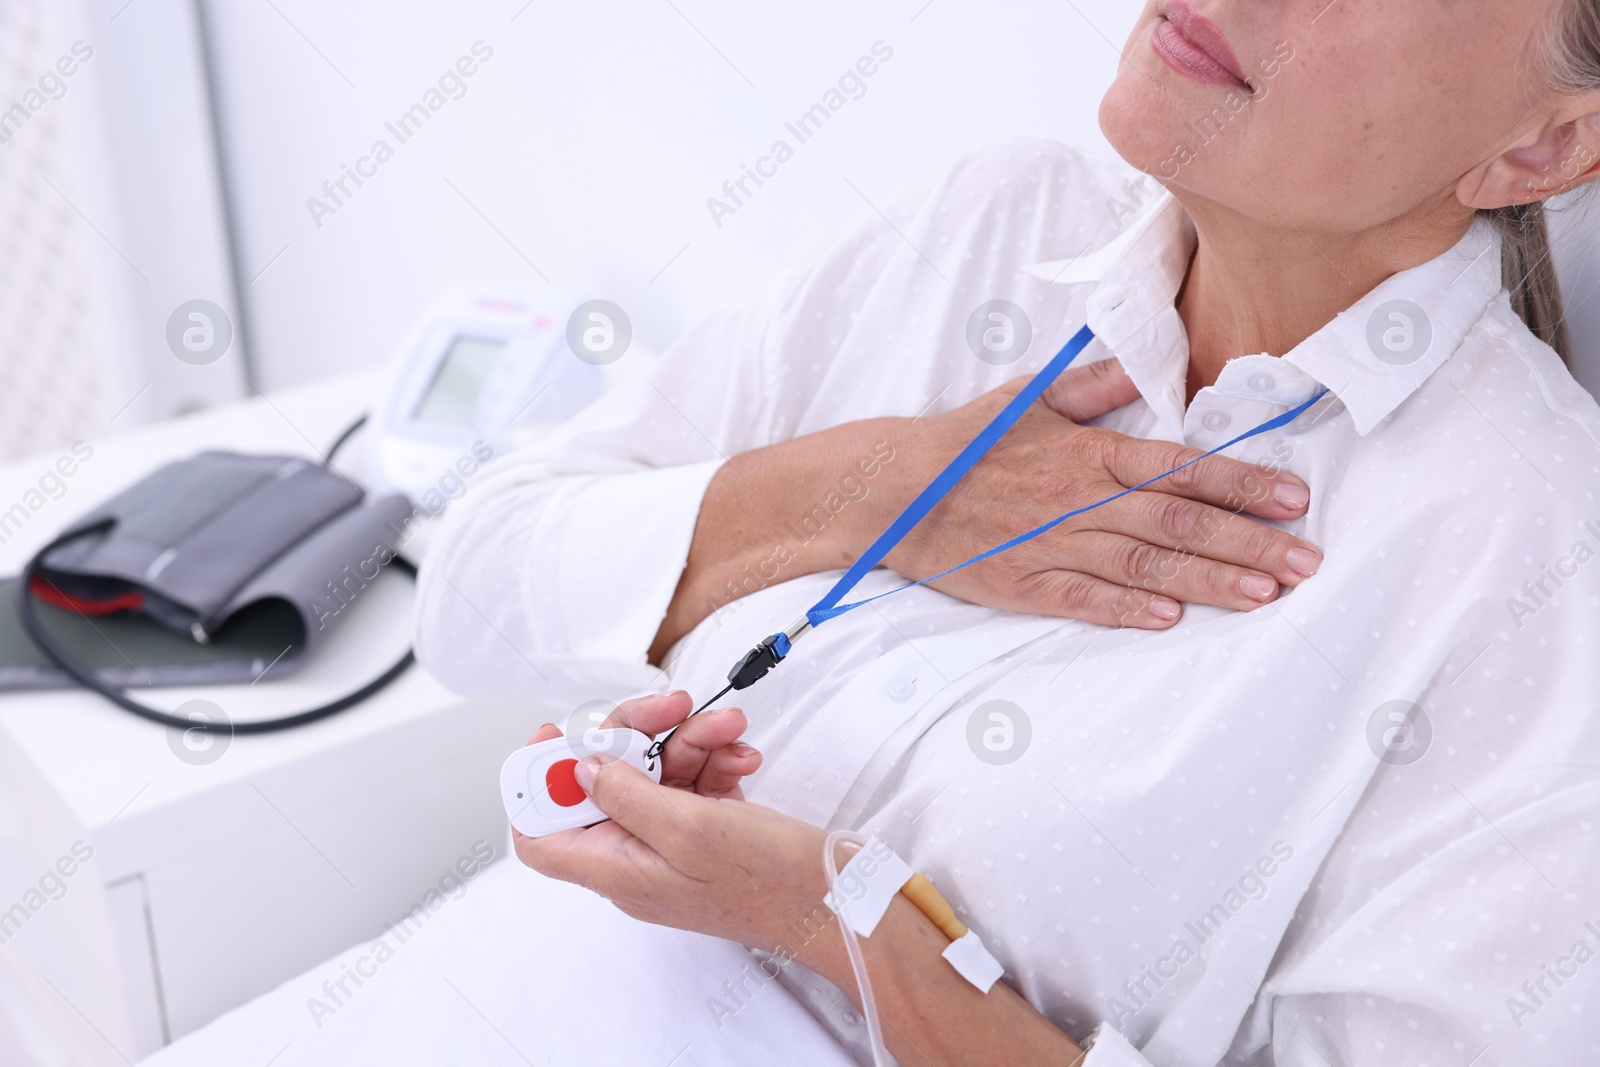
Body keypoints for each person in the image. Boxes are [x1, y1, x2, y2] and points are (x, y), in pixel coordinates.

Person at [416, 1, 1600, 1062]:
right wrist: (869, 492)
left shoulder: (1535, 556)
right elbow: (470, 598)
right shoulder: (994, 225)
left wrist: (838, 923)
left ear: (1541, 145)